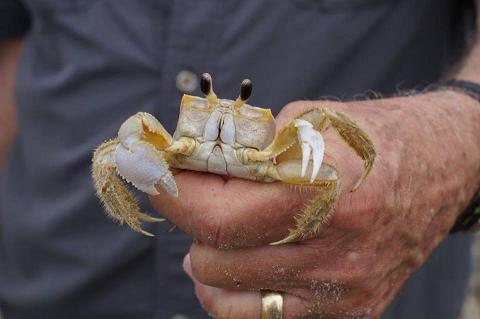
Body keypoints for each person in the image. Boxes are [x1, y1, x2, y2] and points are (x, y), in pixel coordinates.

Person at [0, 0, 479, 318]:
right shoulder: (168, 136)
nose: (220, 121)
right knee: (115, 150)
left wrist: (443, 139)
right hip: (49, 291)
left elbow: (328, 167)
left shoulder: (287, 143)